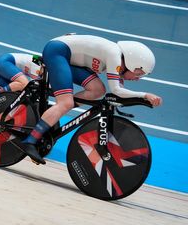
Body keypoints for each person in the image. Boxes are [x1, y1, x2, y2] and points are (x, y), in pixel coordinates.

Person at [20, 34, 162, 165]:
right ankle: (30, 141)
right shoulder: (115, 55)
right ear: (132, 63)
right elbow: (117, 90)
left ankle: (54, 112)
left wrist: (141, 100)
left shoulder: (118, 59)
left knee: (97, 90)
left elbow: (119, 94)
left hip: (68, 57)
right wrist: (144, 95)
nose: (137, 79)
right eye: (139, 73)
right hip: (57, 52)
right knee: (66, 103)